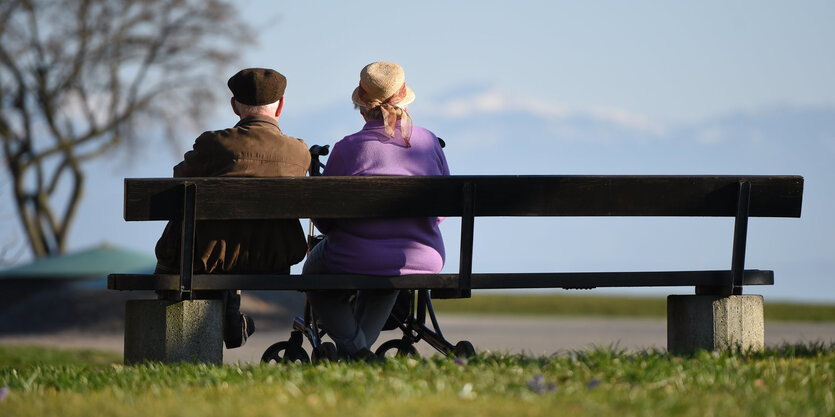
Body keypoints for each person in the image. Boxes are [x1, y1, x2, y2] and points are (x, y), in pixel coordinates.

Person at [303, 62, 450, 360]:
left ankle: (356, 351)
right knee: (386, 278)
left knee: (312, 277)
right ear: (405, 101)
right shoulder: (429, 142)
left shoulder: (347, 148)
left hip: (354, 254)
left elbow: (324, 218)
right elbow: (442, 210)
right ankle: (359, 356)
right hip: (421, 256)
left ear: (360, 106)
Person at [154, 68, 311, 349]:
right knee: (230, 239)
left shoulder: (214, 144)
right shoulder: (298, 153)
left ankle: (200, 337)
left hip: (210, 257)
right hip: (272, 257)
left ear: (235, 106)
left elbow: (177, 182)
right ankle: (230, 320)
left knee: (198, 245)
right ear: (281, 106)